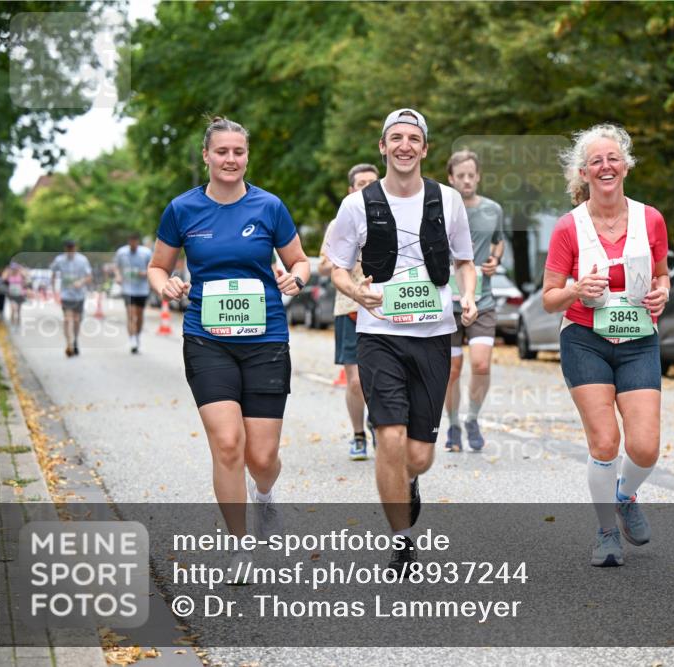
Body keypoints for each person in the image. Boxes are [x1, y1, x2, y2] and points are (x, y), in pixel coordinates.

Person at [148, 117, 310, 578]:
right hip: (206, 339)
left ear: (246, 156)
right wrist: (167, 285)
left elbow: (300, 259)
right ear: (206, 156)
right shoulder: (182, 209)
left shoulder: (269, 206)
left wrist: (294, 278)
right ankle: (240, 544)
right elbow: (158, 266)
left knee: (261, 458)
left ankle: (264, 495)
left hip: (266, 340)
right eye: (222, 151)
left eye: (238, 152)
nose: (231, 159)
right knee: (227, 444)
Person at [327, 108, 476, 571]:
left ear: (425, 148)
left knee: (419, 455)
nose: (405, 145)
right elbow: (335, 266)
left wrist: (468, 296)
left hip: (433, 336)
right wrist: (355, 291)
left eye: (413, 138)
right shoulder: (356, 206)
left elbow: (465, 262)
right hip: (380, 336)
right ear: (383, 146)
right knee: (388, 436)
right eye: (396, 138)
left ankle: (409, 482)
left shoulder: (448, 200)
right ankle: (402, 538)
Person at [542, 124, 670, 567]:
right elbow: (548, 298)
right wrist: (577, 288)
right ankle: (605, 532)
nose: (605, 166)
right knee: (604, 443)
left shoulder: (650, 219)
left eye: (613, 158)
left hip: (638, 340)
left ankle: (626, 495)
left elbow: (662, 274)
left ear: (626, 166)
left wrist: (662, 292)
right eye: (595, 161)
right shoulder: (568, 228)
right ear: (584, 173)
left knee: (646, 447)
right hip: (585, 340)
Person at [443, 150, 506, 452]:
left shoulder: (493, 209)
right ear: (451, 178)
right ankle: (453, 424)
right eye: (461, 176)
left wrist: (494, 259)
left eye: (472, 175)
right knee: (452, 370)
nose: (467, 181)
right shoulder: (440, 210)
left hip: (483, 300)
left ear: (478, 176)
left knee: (480, 364)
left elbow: (499, 239)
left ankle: (472, 418)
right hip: (447, 303)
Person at [318, 163, 380, 461]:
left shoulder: (389, 219)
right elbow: (322, 265)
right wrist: (343, 259)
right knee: (355, 380)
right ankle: (358, 434)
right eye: (361, 184)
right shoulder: (339, 223)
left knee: (381, 377)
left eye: (373, 183)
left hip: (383, 307)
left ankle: (378, 423)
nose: (367, 188)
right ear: (351, 190)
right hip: (349, 307)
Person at [113, 232, 153, 354]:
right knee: (130, 314)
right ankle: (132, 339)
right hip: (127, 288)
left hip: (142, 289)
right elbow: (116, 267)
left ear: (138, 242)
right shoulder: (121, 252)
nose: (133, 244)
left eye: (135, 242)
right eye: (131, 242)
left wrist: (144, 273)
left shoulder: (146, 252)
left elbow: (153, 268)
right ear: (128, 241)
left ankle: (137, 336)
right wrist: (118, 276)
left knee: (139, 316)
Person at [49, 243, 93, 356]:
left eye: (72, 248)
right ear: (65, 249)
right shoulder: (59, 260)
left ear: (75, 248)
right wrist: (54, 291)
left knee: (77, 320)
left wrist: (81, 282)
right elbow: (53, 274)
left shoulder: (83, 260)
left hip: (79, 295)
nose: (70, 251)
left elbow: (89, 276)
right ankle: (69, 344)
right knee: (67, 319)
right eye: (68, 249)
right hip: (66, 295)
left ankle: (75, 340)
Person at [3, 262, 28, 327]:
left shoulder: (20, 274)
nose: (14, 270)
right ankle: (12, 324)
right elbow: (3, 278)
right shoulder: (9, 274)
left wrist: (21, 269)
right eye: (12, 268)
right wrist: (7, 269)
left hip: (20, 294)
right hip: (11, 294)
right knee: (13, 309)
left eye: (15, 268)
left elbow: (26, 277)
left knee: (18, 310)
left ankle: (18, 323)